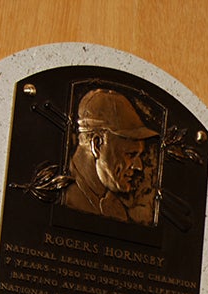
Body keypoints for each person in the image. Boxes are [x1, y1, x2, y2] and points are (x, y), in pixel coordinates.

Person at [63, 88, 158, 224]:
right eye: (130, 154)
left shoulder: (116, 210)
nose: (139, 166)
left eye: (139, 155)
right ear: (97, 144)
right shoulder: (62, 194)